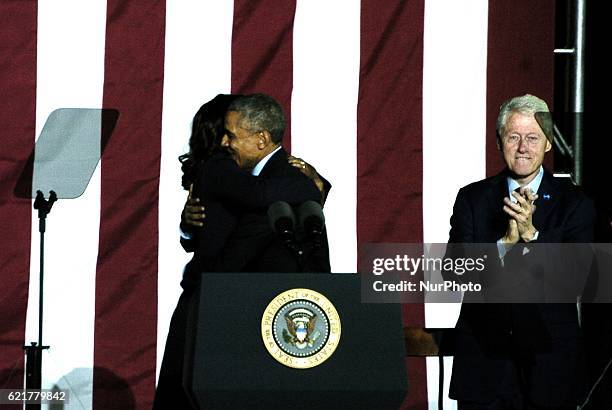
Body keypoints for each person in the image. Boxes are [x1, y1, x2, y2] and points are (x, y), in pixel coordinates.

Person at [153, 94, 328, 409]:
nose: (225, 141)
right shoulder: (223, 168)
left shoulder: (259, 175)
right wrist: (315, 184)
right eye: (226, 130)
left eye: (232, 133)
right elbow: (256, 197)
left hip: (233, 295)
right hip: (215, 292)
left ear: (259, 137)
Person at [447, 94, 595, 409]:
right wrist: (505, 244)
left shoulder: (576, 204)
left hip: (551, 368)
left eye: (532, 137)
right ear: (499, 142)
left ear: (548, 144)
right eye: (514, 137)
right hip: (484, 368)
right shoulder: (472, 199)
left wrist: (531, 235)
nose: (523, 147)